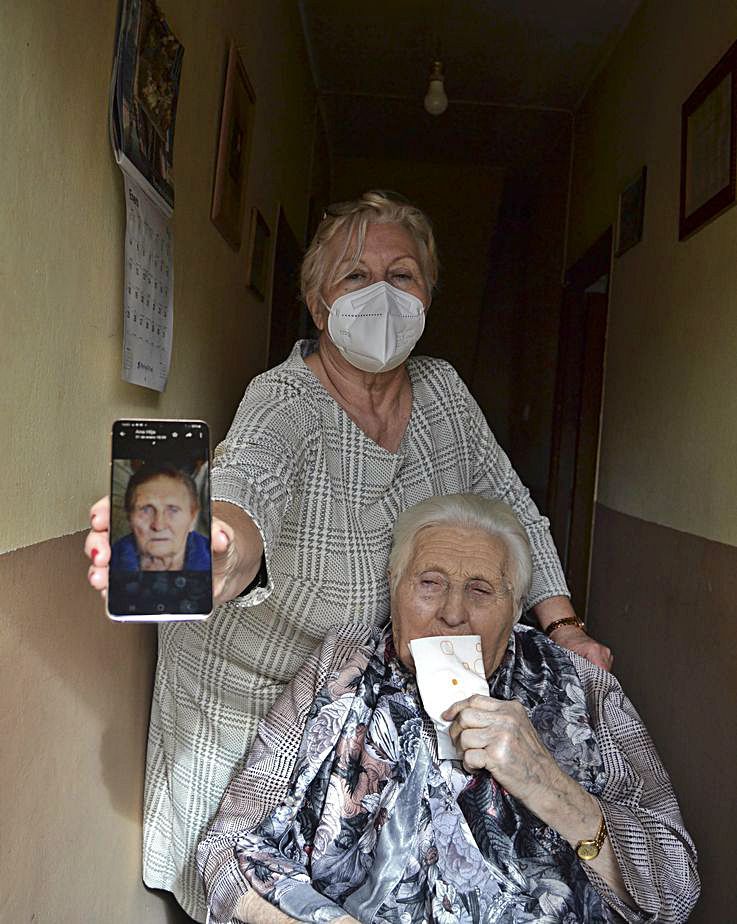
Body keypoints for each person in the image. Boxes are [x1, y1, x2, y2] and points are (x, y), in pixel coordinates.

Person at [85, 191, 612, 921]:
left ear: (428, 294)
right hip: (250, 698)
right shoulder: (283, 401)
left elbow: (512, 506)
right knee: (249, 881)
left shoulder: (444, 394)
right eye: (354, 277)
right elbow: (246, 491)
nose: (382, 295)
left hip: (361, 698)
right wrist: (216, 550)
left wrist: (563, 628)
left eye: (402, 275)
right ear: (314, 299)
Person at [198, 495, 699, 924]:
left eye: (481, 590)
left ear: (516, 604)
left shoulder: (579, 685)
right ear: (395, 589)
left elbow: (676, 888)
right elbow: (228, 847)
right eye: (430, 583)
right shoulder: (340, 666)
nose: (452, 612)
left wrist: (547, 783)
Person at [110, 464, 210, 571]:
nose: (158, 525)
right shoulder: (108, 563)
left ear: (193, 518)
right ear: (129, 517)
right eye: (146, 510)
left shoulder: (219, 564)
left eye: (173, 510)